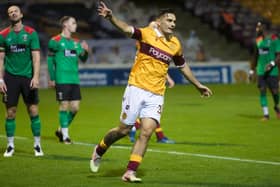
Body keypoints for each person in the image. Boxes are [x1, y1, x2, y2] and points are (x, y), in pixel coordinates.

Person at [90, 1, 212, 183]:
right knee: (123, 130)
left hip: (156, 94)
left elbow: (182, 66)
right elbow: (126, 29)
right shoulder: (146, 34)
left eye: (174, 21)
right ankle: (99, 149)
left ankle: (130, 172)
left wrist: (197, 84)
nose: (172, 24)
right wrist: (111, 17)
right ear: (159, 22)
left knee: (147, 132)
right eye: (169, 20)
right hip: (136, 88)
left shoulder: (175, 44)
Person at [0, 5, 43, 157]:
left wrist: (36, 77)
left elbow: (36, 57)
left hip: (27, 77)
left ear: (21, 14)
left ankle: (37, 145)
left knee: (33, 110)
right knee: (10, 112)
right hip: (10, 78)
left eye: (15, 11)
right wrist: (0, 80)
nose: (12, 13)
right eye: (10, 12)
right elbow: (1, 59)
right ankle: (10, 146)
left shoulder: (31, 33)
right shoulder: (3, 35)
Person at [47, 16, 89, 144]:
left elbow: (83, 59)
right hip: (62, 78)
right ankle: (65, 136)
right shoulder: (55, 41)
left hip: (74, 79)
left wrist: (86, 51)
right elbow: (50, 60)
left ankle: (61, 129)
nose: (76, 25)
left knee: (75, 108)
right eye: (73, 22)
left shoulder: (76, 42)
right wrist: (52, 78)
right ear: (65, 24)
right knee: (64, 106)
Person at [129, 74, 176, 144]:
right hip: (153, 89)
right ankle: (160, 137)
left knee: (151, 115)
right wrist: (168, 79)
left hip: (145, 87)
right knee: (153, 115)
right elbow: (159, 67)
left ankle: (132, 129)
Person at [249, 22, 280, 121]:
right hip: (261, 71)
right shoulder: (258, 41)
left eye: (258, 27)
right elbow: (255, 56)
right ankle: (266, 115)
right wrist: (251, 71)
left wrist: (272, 64)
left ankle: (276, 106)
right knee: (262, 90)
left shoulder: (275, 40)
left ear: (263, 28)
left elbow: (279, 55)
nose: (256, 29)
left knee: (275, 92)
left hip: (272, 70)